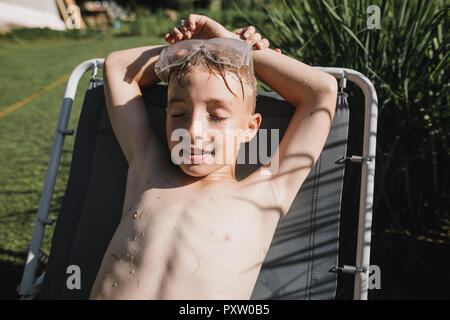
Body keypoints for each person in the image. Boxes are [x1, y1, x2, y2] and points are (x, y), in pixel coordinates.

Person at [89, 14, 337, 300]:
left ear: (250, 128)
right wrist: (195, 48)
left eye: (217, 117)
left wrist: (230, 45)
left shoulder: (266, 192)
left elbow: (321, 92)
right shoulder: (147, 169)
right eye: (179, 114)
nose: (193, 131)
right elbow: (118, 67)